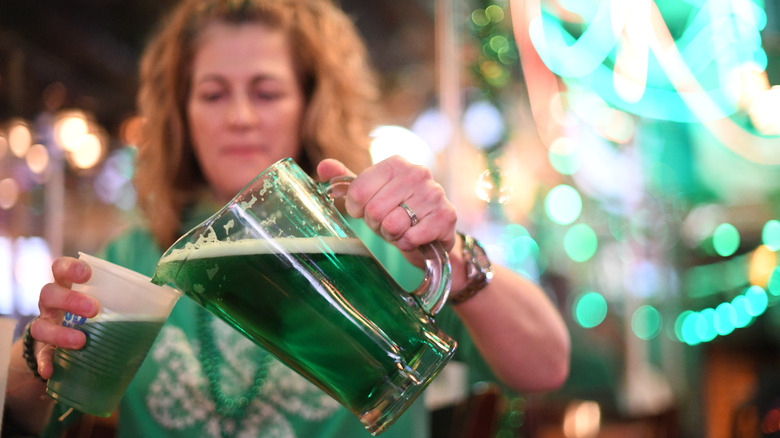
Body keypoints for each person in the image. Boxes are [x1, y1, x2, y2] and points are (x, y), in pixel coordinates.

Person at [5, 0, 570, 436]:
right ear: (181, 115)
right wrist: (40, 356)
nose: (241, 116)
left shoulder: (377, 243)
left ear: (311, 103)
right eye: (213, 93)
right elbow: (30, 412)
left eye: (267, 91)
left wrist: (449, 255)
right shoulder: (131, 258)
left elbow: (545, 368)